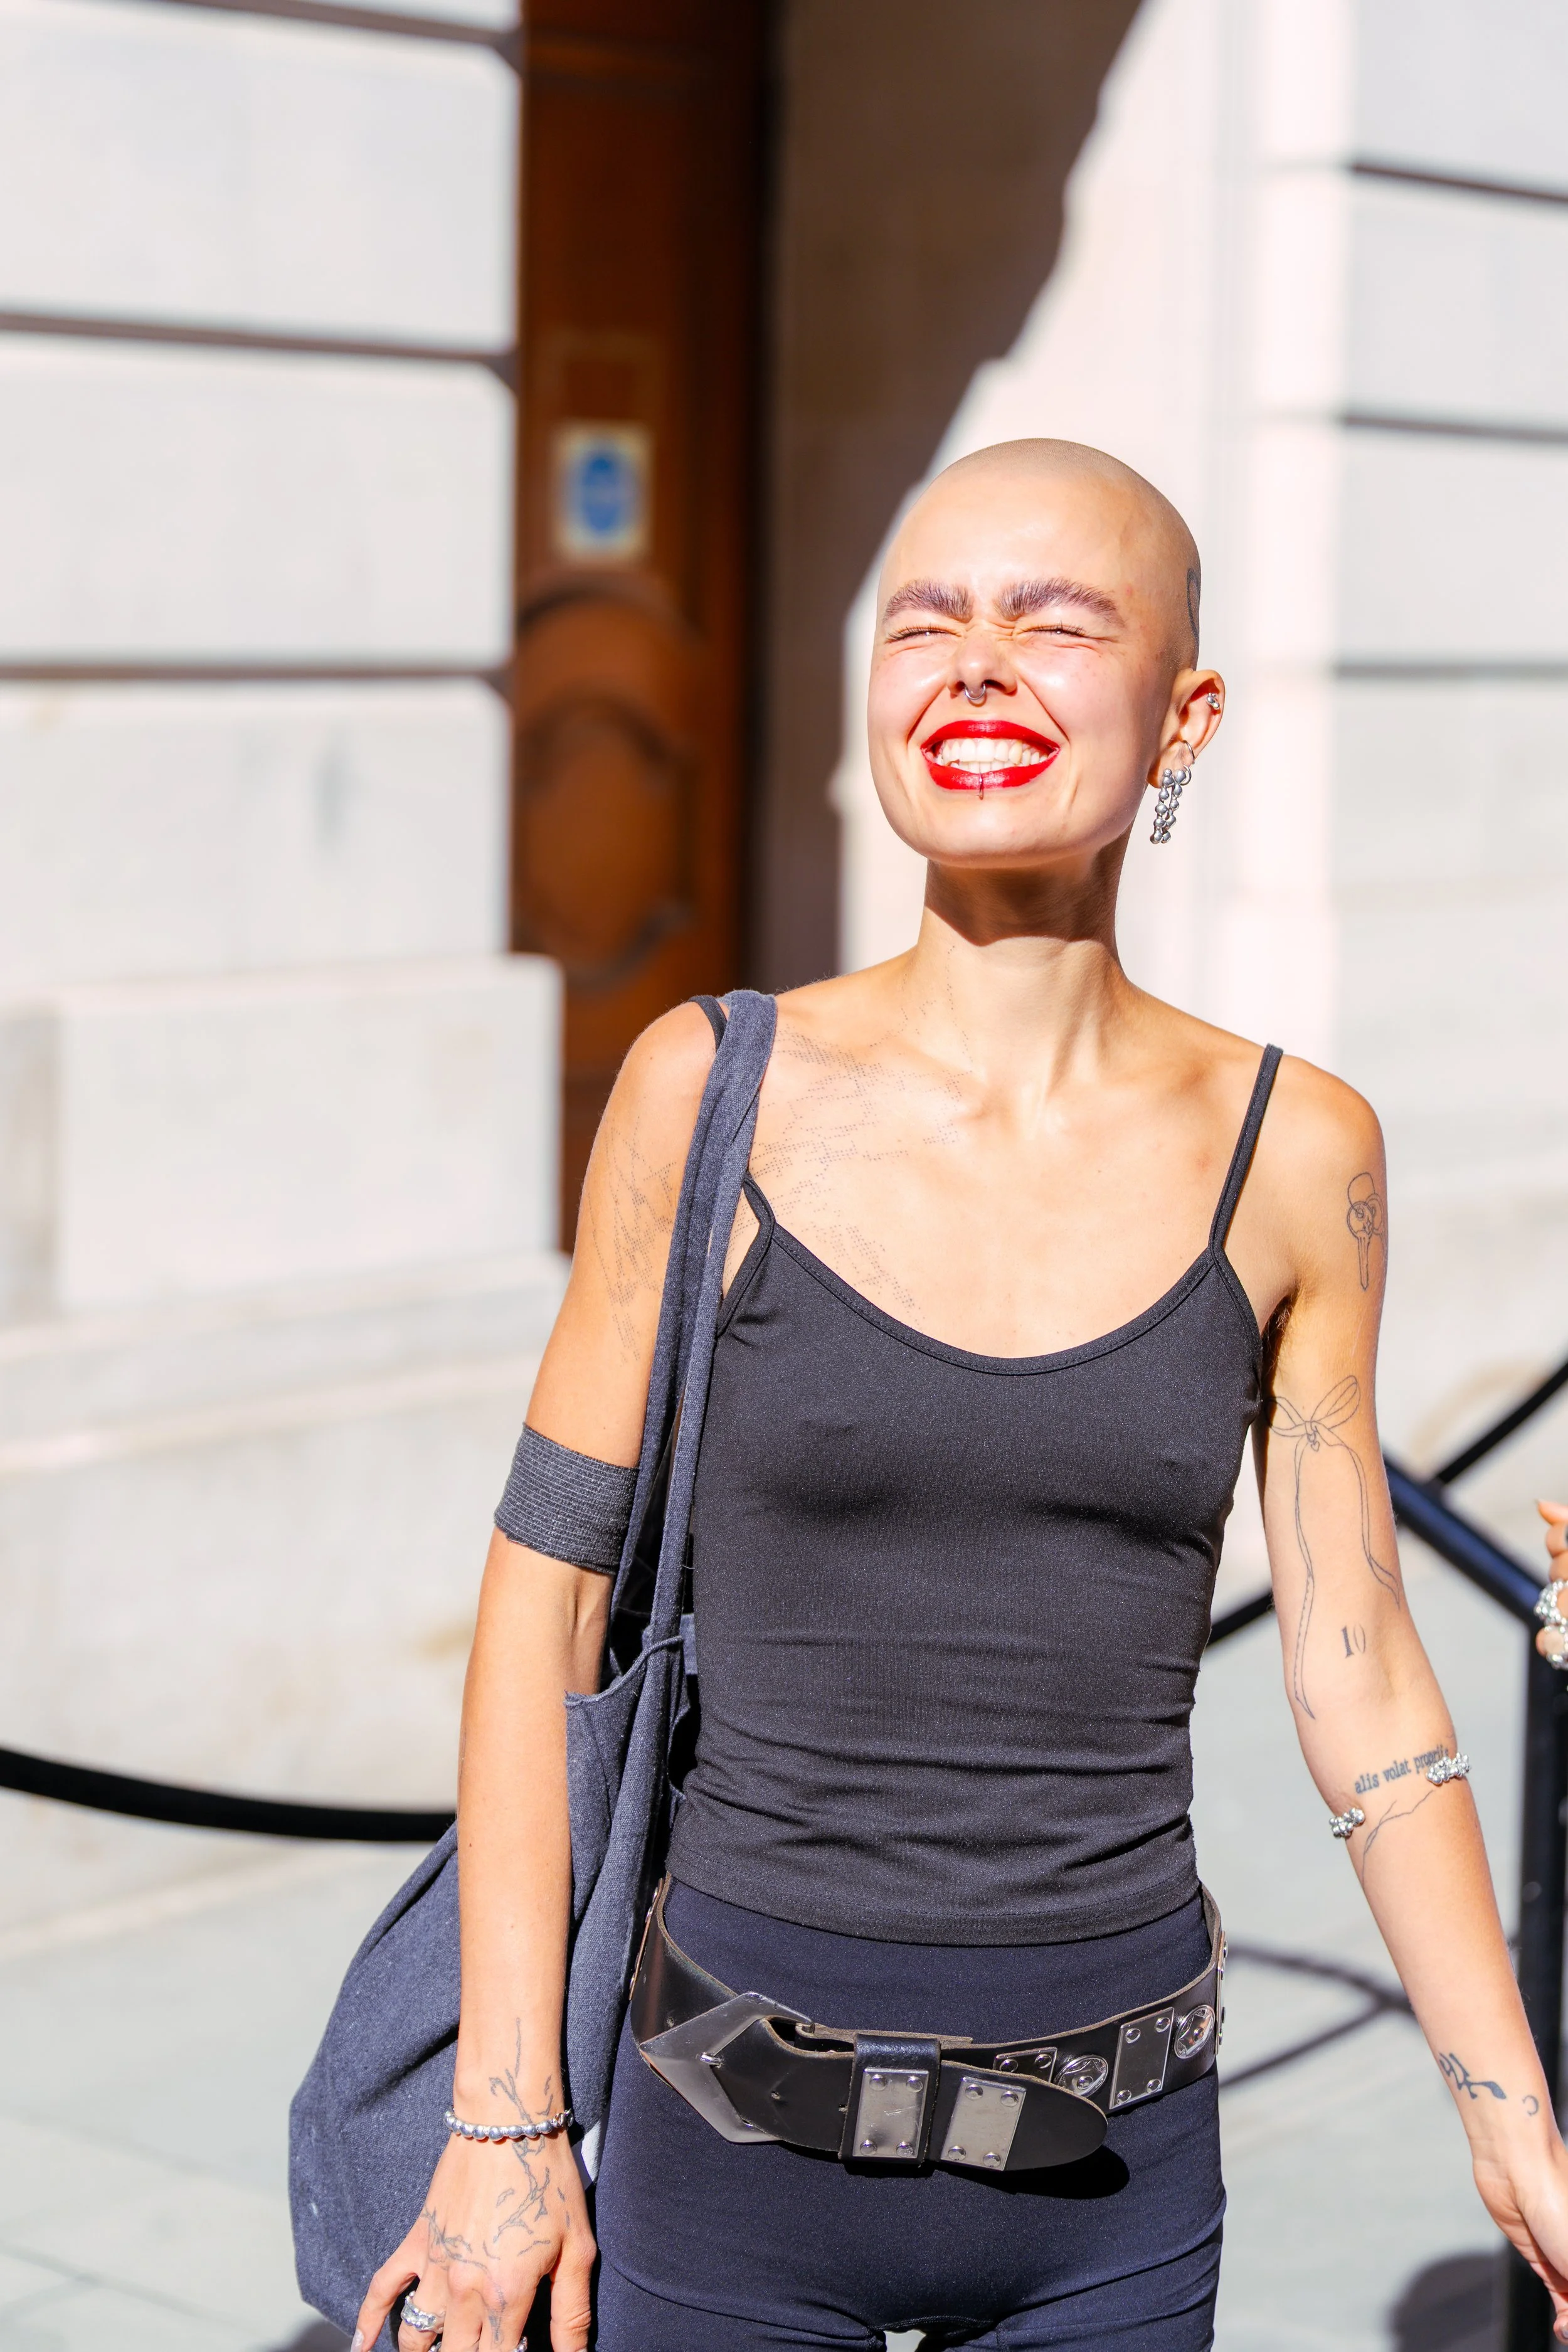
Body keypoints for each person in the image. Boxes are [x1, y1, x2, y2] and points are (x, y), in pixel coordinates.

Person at [355, 440, 1568, 2352]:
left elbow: (1356, 1671)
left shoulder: (1295, 1149)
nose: (977, 659)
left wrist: (1509, 2116)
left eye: (1055, 619)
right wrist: (506, 2121)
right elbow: (543, 1601)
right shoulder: (704, 1087)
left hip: (1119, 2171)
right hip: (721, 2153)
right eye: (924, 618)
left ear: (1184, 717)